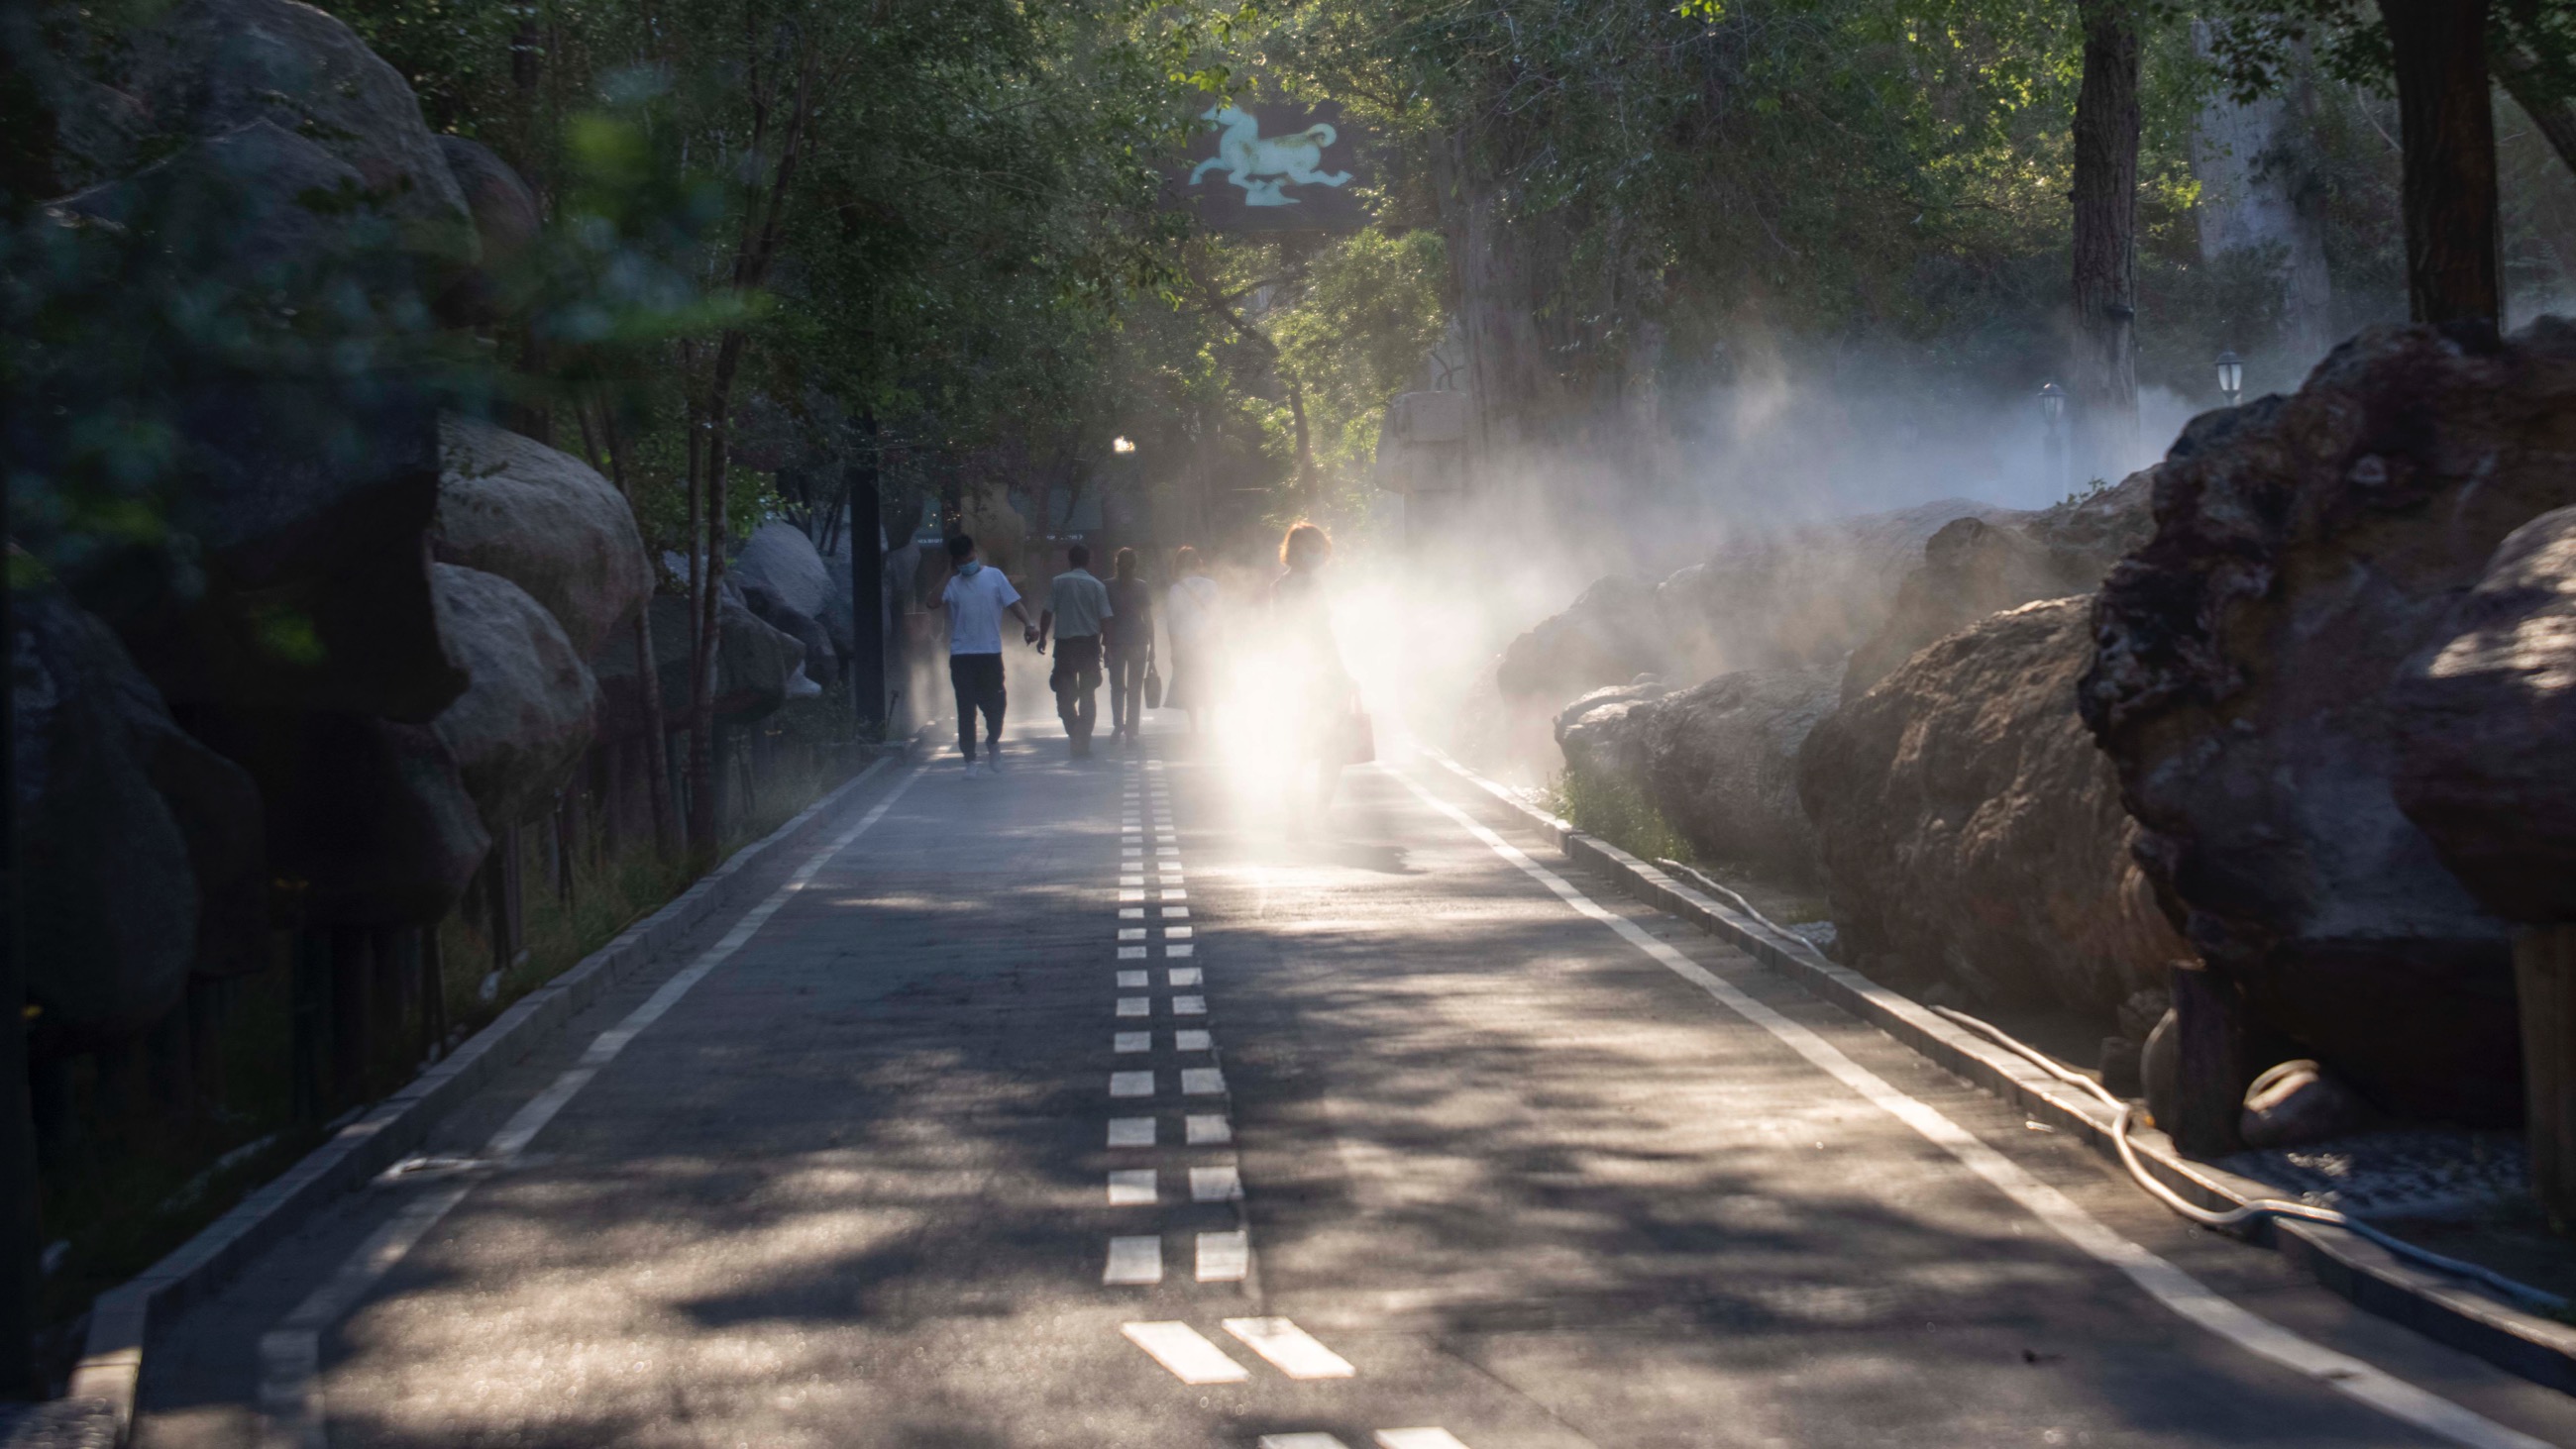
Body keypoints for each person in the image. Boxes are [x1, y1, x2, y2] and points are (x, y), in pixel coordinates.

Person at [1268, 521, 1357, 827]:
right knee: (1332, 746)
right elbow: (1323, 634)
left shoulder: (1278, 587)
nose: (1319, 554)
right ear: (1299, 551)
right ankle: (1320, 811)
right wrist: (1343, 673)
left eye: (1320, 548)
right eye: (1314, 548)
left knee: (1297, 745)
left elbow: (1279, 633)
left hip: (1291, 673)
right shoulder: (1311, 586)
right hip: (1320, 675)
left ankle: (1294, 811)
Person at [939, 533, 1039, 777]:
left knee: (996, 706)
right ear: (955, 562)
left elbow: (1013, 603)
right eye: (961, 561)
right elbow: (931, 602)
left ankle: (993, 740)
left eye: (969, 558)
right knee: (966, 709)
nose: (967, 563)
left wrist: (1029, 624)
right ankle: (970, 761)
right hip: (962, 655)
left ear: (975, 553)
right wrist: (947, 574)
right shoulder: (952, 583)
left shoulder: (994, 576)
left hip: (990, 653)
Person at [1038, 542, 1113, 758]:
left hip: (1065, 647)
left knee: (1064, 695)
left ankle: (1075, 733)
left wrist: (1042, 637)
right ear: (1088, 561)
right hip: (1089, 646)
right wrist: (1107, 648)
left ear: (1069, 560)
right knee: (1088, 694)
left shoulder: (1058, 582)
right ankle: (1082, 738)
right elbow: (1106, 619)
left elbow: (1047, 612)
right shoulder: (1097, 586)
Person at [1103, 547, 1155, 748]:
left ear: (1116, 564)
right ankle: (1131, 731)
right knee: (1135, 689)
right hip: (1138, 641)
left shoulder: (1107, 586)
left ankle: (1118, 725)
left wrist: (1104, 645)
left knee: (1117, 687)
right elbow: (1148, 619)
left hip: (1115, 642)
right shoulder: (1141, 586)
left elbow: (1104, 618)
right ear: (1135, 565)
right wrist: (1153, 647)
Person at [1164, 546, 1220, 735]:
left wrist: (1174, 649)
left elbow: (1172, 622)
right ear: (1198, 563)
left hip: (1186, 644)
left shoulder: (1176, 589)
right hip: (1208, 641)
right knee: (1209, 680)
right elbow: (1218, 615)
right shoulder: (1212, 586)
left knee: (1190, 684)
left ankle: (1194, 725)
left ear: (1179, 565)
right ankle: (1210, 721)